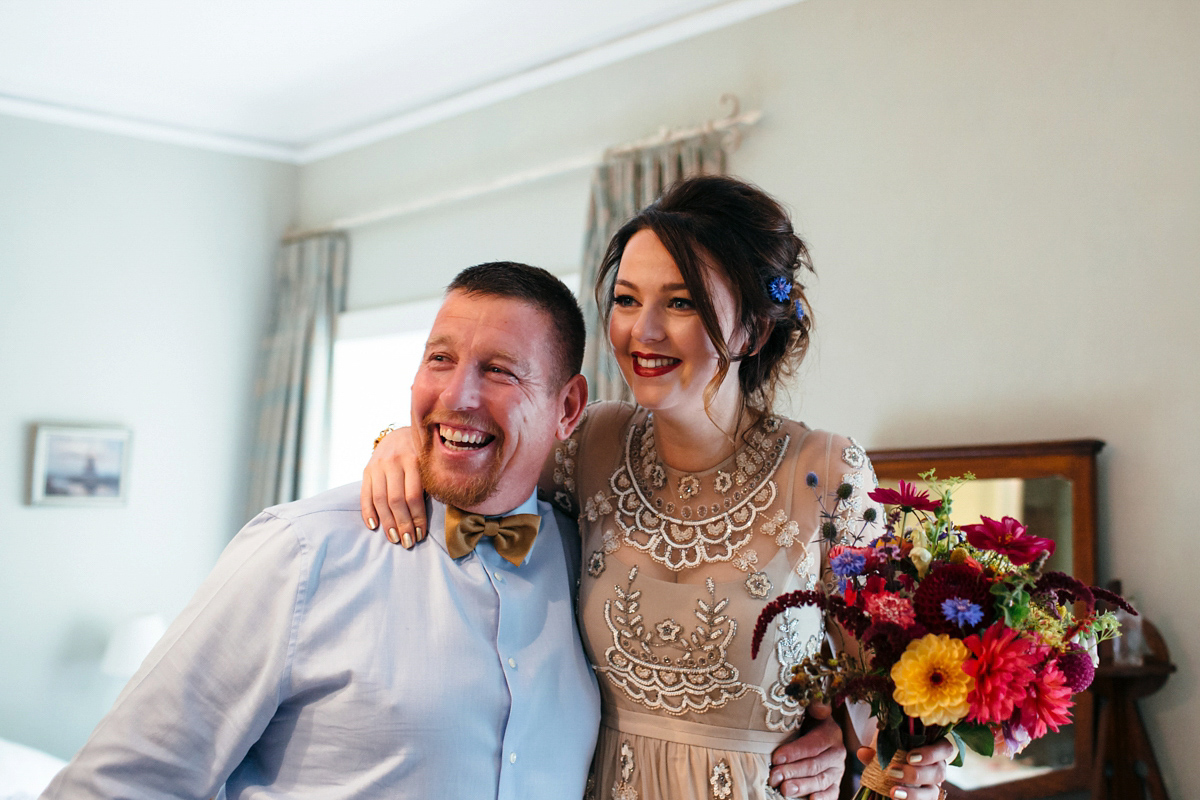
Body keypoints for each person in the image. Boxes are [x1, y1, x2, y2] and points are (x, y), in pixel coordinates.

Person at [362, 176, 954, 799]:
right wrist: (397, 440)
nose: (641, 332)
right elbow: (473, 449)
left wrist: (851, 744)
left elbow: (888, 711)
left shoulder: (829, 476)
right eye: (625, 299)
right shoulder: (584, 445)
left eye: (680, 303)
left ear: (750, 332)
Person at [43, 262, 601, 800]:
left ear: (568, 407)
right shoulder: (299, 552)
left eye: (499, 370)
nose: (456, 396)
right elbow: (115, 785)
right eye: (440, 360)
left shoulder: (592, 559)